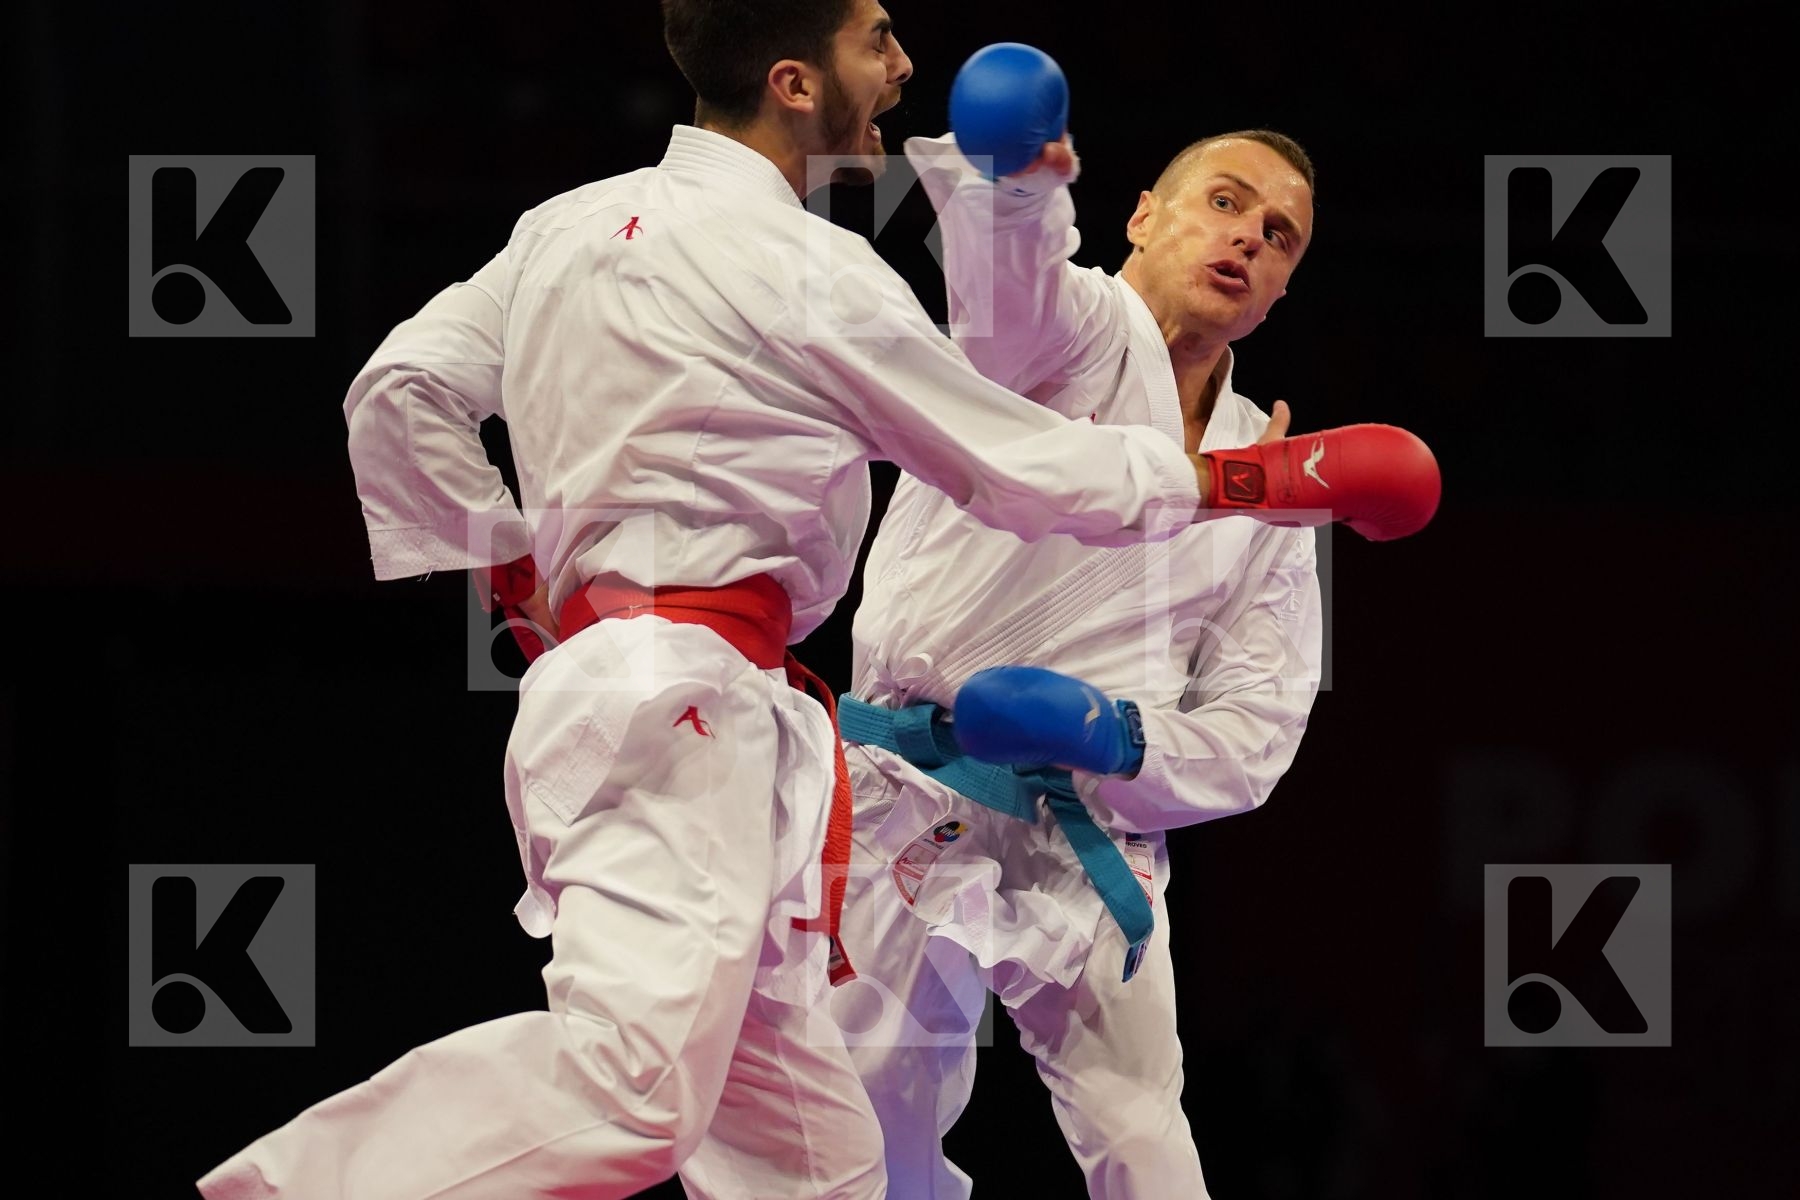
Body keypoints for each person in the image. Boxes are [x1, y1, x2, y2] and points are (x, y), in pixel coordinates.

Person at [191, 3, 1343, 1197]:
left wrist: (514, 569)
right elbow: (1019, 446)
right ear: (795, 82)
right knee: (631, 1097)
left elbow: (401, 389)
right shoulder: (817, 274)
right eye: (877, 40)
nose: (902, 68)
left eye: (1283, 236)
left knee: (826, 1168)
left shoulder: (564, 227)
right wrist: (1238, 477)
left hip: (725, 706)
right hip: (713, 708)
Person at [824, 124, 1351, 1198]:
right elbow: (1008, 287)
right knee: (869, 1132)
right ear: (1144, 217)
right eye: (1224, 201)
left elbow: (1259, 729)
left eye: (1279, 234)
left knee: (1147, 1148)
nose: (1248, 236)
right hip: (908, 795)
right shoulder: (1052, 341)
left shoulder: (1273, 485)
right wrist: (1013, 185)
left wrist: (1117, 737)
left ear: (1282, 291)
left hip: (1091, 823)